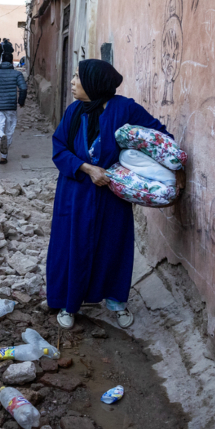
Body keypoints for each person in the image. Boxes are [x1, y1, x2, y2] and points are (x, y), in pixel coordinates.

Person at [45, 59, 183, 330]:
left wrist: (134, 167)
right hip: (76, 193)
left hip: (112, 194)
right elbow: (59, 148)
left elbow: (159, 139)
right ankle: (69, 304)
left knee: (112, 246)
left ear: (95, 83)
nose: (73, 83)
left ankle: (116, 301)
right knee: (72, 246)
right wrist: (87, 168)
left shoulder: (125, 109)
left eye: (78, 78)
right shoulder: (74, 111)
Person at [0, 54, 27, 164]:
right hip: (10, 106)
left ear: (2, 61)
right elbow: (23, 88)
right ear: (12, 62)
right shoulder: (17, 74)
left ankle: (1, 136)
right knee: (9, 129)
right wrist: (21, 102)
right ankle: (3, 156)